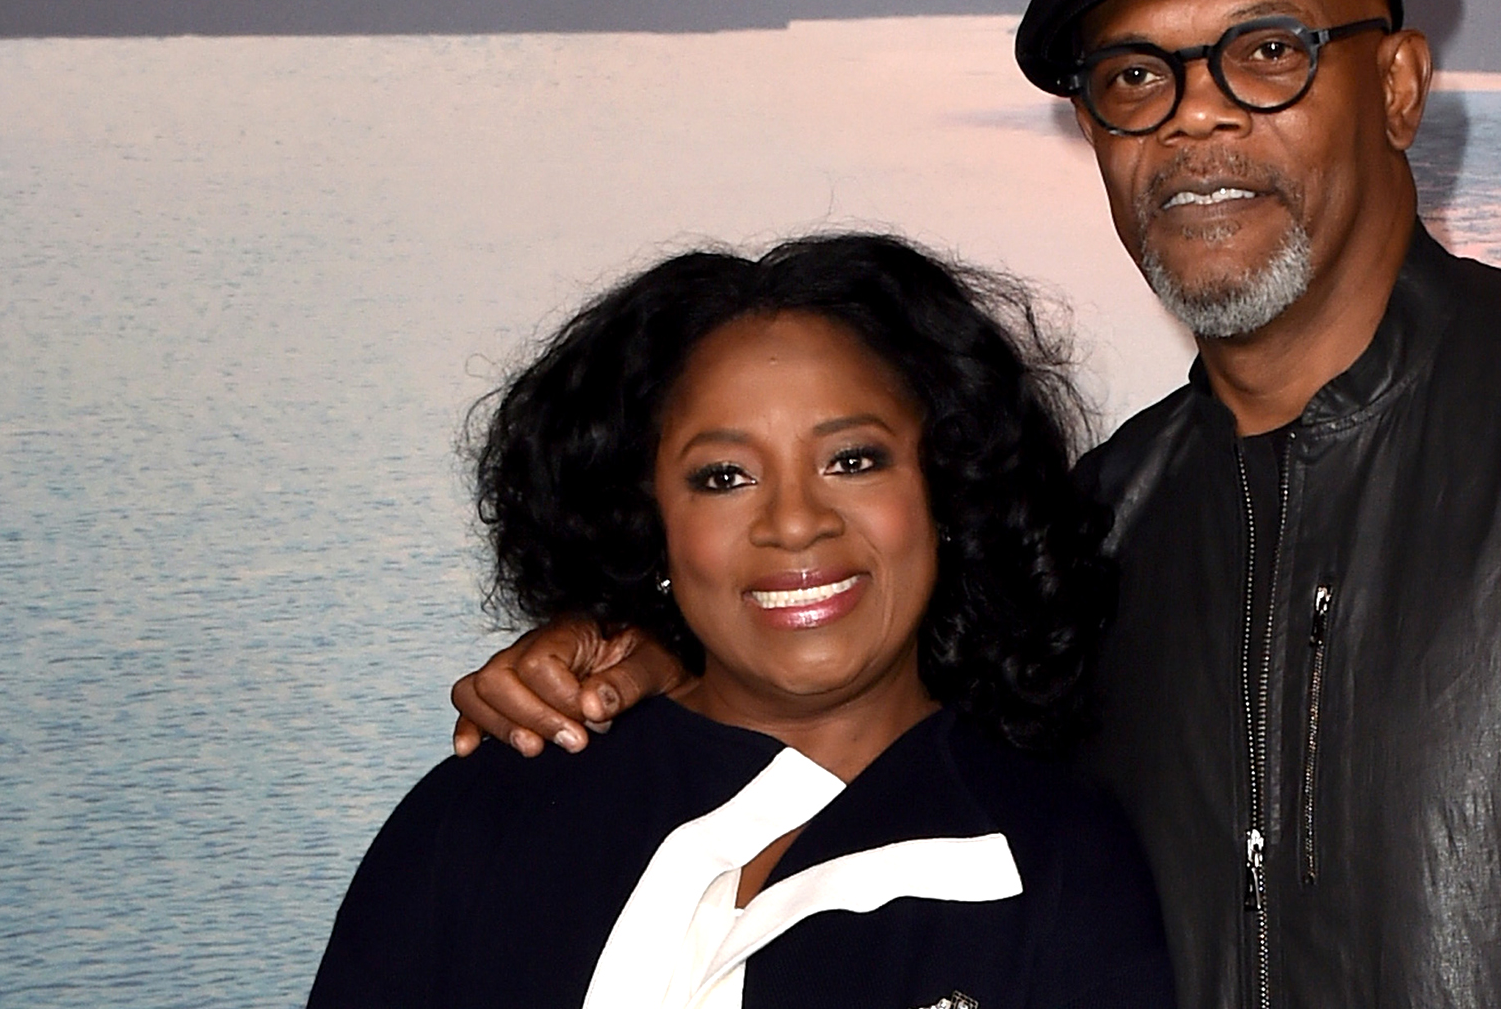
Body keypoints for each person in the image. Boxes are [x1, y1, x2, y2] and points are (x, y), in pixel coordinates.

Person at [448, 0, 1501, 1008]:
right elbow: (870, 753)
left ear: (1402, 86)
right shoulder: (1093, 531)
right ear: (1093, 134)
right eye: (1134, 78)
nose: (1197, 117)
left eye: (1269, 51)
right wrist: (637, 669)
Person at [310, 236, 1175, 1008]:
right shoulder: (482, 818)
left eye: (852, 459)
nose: (795, 522)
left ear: (946, 490)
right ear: (648, 518)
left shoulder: (1059, 862)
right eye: (723, 476)